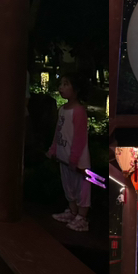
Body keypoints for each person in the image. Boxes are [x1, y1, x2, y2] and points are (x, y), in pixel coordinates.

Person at [46, 74, 90, 232]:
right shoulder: (62, 110)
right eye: (61, 84)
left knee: (82, 187)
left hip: (77, 160)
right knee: (68, 186)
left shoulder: (78, 111)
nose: (61, 88)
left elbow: (80, 137)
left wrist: (74, 157)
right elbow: (58, 132)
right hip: (64, 157)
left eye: (66, 84)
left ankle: (82, 217)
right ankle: (72, 212)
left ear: (76, 89)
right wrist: (53, 149)